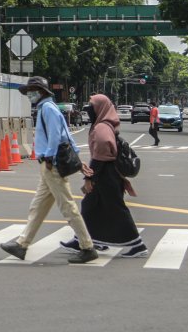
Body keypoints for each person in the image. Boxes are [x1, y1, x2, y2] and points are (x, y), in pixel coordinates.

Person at [0, 76, 99, 264]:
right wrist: (77, 159)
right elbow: (67, 135)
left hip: (51, 164)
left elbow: (56, 137)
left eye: (33, 90)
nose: (30, 94)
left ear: (42, 92)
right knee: (38, 207)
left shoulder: (47, 109)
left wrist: (51, 158)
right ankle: (22, 244)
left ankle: (87, 247)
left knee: (68, 206)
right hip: (48, 164)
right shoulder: (49, 108)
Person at [60, 94, 147, 258]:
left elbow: (101, 157)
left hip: (107, 176)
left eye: (92, 107)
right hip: (107, 174)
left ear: (99, 109)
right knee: (91, 207)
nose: (89, 110)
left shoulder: (101, 128)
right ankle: (86, 240)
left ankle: (137, 245)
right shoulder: (103, 125)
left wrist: (89, 179)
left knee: (116, 209)